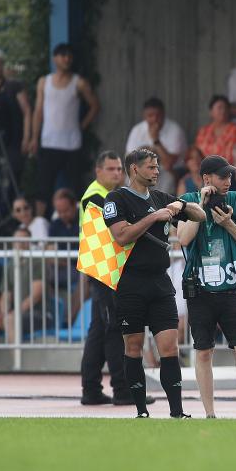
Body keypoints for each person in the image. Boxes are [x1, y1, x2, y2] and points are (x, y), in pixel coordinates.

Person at [103, 148, 206, 418]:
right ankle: (140, 411)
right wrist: (154, 217)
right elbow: (121, 236)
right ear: (134, 169)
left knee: (170, 347)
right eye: (151, 167)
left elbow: (200, 215)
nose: (157, 171)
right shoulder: (117, 198)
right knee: (133, 346)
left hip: (160, 282)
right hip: (130, 283)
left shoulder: (161, 197)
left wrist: (181, 206)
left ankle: (177, 411)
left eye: (157, 166)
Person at [177, 155, 236, 419]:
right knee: (203, 352)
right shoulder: (188, 200)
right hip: (200, 289)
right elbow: (184, 238)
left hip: (231, 286)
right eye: (223, 176)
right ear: (206, 179)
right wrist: (200, 208)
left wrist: (228, 224)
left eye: (230, 176)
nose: (228, 180)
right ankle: (210, 414)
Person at [78, 151, 150, 406]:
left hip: (104, 269)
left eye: (119, 169)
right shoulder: (96, 197)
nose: (117, 173)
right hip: (104, 270)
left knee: (99, 330)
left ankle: (91, 389)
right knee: (114, 328)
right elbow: (121, 224)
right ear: (98, 171)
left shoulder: (101, 195)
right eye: (111, 169)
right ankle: (122, 389)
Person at [32, 43, 101, 211]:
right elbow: (38, 111)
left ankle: (81, 224)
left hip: (72, 144)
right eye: (63, 55)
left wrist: (81, 126)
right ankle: (40, 224)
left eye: (69, 56)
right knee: (43, 188)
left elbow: (95, 106)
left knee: (77, 187)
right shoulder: (44, 82)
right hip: (49, 143)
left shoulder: (79, 82)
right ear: (55, 58)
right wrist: (34, 138)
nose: (67, 59)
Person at [0, 228, 49, 372]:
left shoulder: (37, 261)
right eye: (17, 240)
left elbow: (35, 296)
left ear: (30, 242)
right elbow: (5, 295)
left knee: (10, 320)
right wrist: (4, 312)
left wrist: (13, 313)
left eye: (24, 240)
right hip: (15, 314)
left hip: (39, 314)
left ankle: (17, 367)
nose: (20, 243)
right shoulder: (10, 265)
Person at [125, 97, 188, 195]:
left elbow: (168, 164)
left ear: (163, 114)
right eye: (150, 115)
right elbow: (129, 160)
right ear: (144, 116)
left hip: (172, 170)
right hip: (143, 168)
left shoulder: (175, 130)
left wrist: (156, 140)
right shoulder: (137, 130)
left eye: (158, 116)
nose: (154, 119)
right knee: (129, 176)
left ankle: (161, 204)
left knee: (167, 177)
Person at [195, 95, 236, 163]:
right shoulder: (203, 131)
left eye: (226, 108)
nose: (223, 111)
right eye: (219, 108)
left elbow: (231, 156)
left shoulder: (234, 130)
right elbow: (197, 153)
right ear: (211, 112)